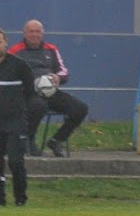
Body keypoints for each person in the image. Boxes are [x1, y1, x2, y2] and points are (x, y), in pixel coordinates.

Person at [8, 20, 89, 157]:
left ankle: (57, 140)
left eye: (37, 31)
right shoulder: (15, 51)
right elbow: (8, 74)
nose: (34, 35)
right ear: (24, 33)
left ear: (42, 33)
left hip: (50, 91)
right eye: (31, 31)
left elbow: (64, 71)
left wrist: (58, 77)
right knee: (38, 106)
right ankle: (29, 140)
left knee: (80, 108)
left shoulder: (51, 49)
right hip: (28, 94)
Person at [0, 27, 36, 207]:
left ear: (6, 42)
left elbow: (30, 92)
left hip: (15, 121)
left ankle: (20, 199)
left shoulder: (19, 65)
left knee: (16, 161)